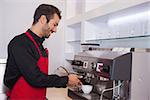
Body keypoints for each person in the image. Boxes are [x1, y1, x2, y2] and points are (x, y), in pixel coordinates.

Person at [4, 4, 81, 100]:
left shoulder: (40, 46)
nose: (55, 30)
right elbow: (35, 78)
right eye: (54, 24)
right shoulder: (20, 43)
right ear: (43, 19)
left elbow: (41, 80)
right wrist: (66, 80)